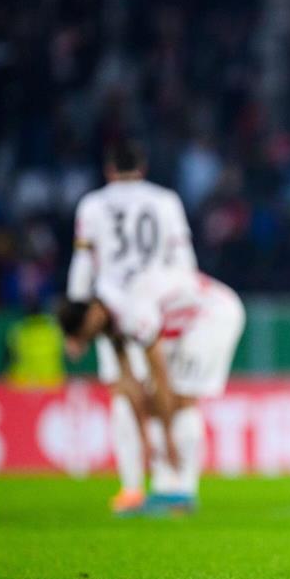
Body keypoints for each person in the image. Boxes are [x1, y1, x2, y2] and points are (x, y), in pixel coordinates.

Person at [66, 140, 199, 514]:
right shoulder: (165, 201)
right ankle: (170, 484)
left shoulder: (92, 204)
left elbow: (82, 265)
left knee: (125, 395)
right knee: (167, 391)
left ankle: (131, 488)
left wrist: (76, 327)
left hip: (111, 310)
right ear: (142, 168)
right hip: (159, 308)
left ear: (109, 171)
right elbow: (184, 259)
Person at [58, 265, 245, 513]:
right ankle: (170, 489)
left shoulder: (132, 312)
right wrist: (145, 434)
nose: (91, 338)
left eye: (87, 334)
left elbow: (159, 374)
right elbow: (129, 382)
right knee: (158, 401)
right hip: (185, 324)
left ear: (92, 316)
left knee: (182, 398)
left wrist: (167, 437)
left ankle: (183, 491)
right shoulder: (108, 315)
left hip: (213, 316)